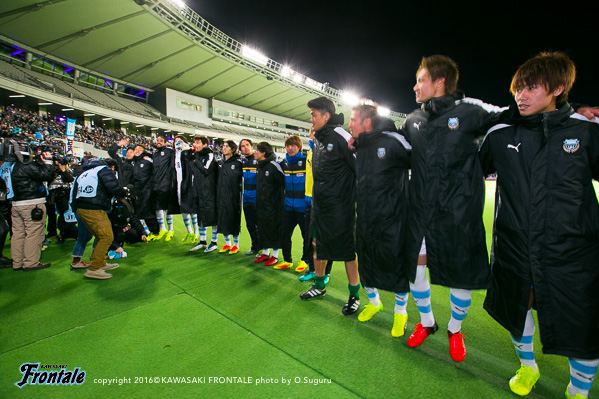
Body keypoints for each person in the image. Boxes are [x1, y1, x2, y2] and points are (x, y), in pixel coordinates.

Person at [479, 51, 598, 399]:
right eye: (519, 88)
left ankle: (578, 390)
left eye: (531, 88)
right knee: (519, 311)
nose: (521, 95)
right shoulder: (501, 134)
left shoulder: (586, 132)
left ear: (558, 88)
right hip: (514, 250)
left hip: (573, 254)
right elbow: (465, 173)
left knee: (581, 326)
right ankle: (527, 366)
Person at [400, 55, 510, 362]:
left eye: (420, 80)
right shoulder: (413, 121)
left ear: (439, 82)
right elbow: (396, 144)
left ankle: (455, 328)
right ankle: (427, 322)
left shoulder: (471, 110)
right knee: (415, 268)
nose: (415, 86)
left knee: (461, 276)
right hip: (421, 211)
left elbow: (512, 114)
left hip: (459, 212)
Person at [349, 103, 412, 336]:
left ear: (367, 123)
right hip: (365, 218)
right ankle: (375, 303)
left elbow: (419, 160)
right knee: (366, 263)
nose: (350, 124)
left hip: (392, 220)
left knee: (395, 266)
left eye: (354, 119)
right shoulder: (358, 147)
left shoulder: (393, 141)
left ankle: (401, 312)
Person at [299, 96, 360, 316]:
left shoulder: (342, 136)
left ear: (326, 115)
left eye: (314, 115)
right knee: (317, 245)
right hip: (320, 206)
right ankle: (319, 286)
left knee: (348, 252)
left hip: (341, 208)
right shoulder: (317, 138)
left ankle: (354, 295)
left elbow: (359, 169)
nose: (311, 119)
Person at [71, 157, 127, 280]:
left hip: (82, 208)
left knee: (99, 235)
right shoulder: (103, 170)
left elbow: (74, 194)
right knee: (106, 236)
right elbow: (113, 187)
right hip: (94, 208)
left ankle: (100, 262)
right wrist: (124, 191)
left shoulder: (83, 174)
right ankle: (94, 268)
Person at [4, 148, 55, 271]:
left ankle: (18, 262)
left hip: (16, 203)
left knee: (18, 234)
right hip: (32, 203)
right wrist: (48, 163)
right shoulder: (26, 166)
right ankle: (31, 262)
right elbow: (47, 175)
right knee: (34, 233)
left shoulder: (10, 166)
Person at [298, 127, 333, 283]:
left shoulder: (328, 151)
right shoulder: (311, 152)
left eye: (313, 132)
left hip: (322, 201)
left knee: (324, 239)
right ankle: (312, 269)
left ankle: (326, 273)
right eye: (310, 132)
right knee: (309, 239)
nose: (310, 135)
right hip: (309, 200)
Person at [276, 135, 310, 271]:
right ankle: (287, 260)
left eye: (293, 146)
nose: (290, 148)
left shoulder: (307, 160)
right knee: (284, 233)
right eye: (288, 146)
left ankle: (304, 260)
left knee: (306, 236)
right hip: (288, 207)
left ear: (299, 147)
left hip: (304, 207)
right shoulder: (283, 163)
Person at [253, 141, 284, 266]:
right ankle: (265, 253)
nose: (254, 152)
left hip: (274, 205)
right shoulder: (260, 166)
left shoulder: (273, 166)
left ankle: (275, 256)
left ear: (263, 153)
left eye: (257, 150)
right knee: (263, 227)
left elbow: (284, 183)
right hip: (261, 204)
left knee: (273, 229)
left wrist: (278, 201)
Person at [189, 136, 219, 253]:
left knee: (212, 217)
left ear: (205, 144)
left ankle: (214, 242)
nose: (195, 145)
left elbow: (206, 170)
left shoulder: (210, 155)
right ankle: (202, 242)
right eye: (194, 142)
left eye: (197, 143)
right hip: (198, 191)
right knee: (200, 216)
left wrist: (195, 161)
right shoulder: (196, 155)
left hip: (209, 192)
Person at [216, 140, 243, 254]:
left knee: (234, 219)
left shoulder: (238, 162)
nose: (224, 148)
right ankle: (228, 244)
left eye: (227, 146)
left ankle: (236, 245)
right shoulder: (220, 162)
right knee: (222, 219)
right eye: (224, 146)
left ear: (233, 149)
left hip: (234, 196)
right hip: (221, 195)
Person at [148, 135, 176, 242]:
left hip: (166, 184)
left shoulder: (169, 152)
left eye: (161, 141)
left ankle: (171, 230)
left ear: (165, 143)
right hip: (156, 185)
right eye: (157, 140)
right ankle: (163, 229)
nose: (158, 142)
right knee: (158, 207)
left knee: (167, 209)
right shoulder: (154, 154)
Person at [173, 135, 199, 243]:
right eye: (175, 142)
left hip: (189, 183)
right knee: (183, 208)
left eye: (179, 141)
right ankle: (189, 231)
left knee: (192, 209)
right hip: (178, 185)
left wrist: (187, 149)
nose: (177, 143)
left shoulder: (189, 153)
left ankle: (196, 232)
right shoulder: (173, 155)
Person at [239, 138, 260, 255]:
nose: (245, 147)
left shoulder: (257, 159)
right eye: (243, 146)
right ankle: (255, 246)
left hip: (256, 198)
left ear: (251, 146)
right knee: (250, 224)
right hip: (246, 198)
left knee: (259, 224)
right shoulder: (242, 161)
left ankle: (264, 248)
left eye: (247, 145)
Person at [131, 144, 156, 236]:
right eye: (135, 149)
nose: (137, 151)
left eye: (140, 150)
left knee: (147, 211)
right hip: (136, 190)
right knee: (138, 211)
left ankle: (154, 231)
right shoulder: (133, 162)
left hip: (146, 189)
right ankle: (143, 231)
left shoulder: (147, 160)